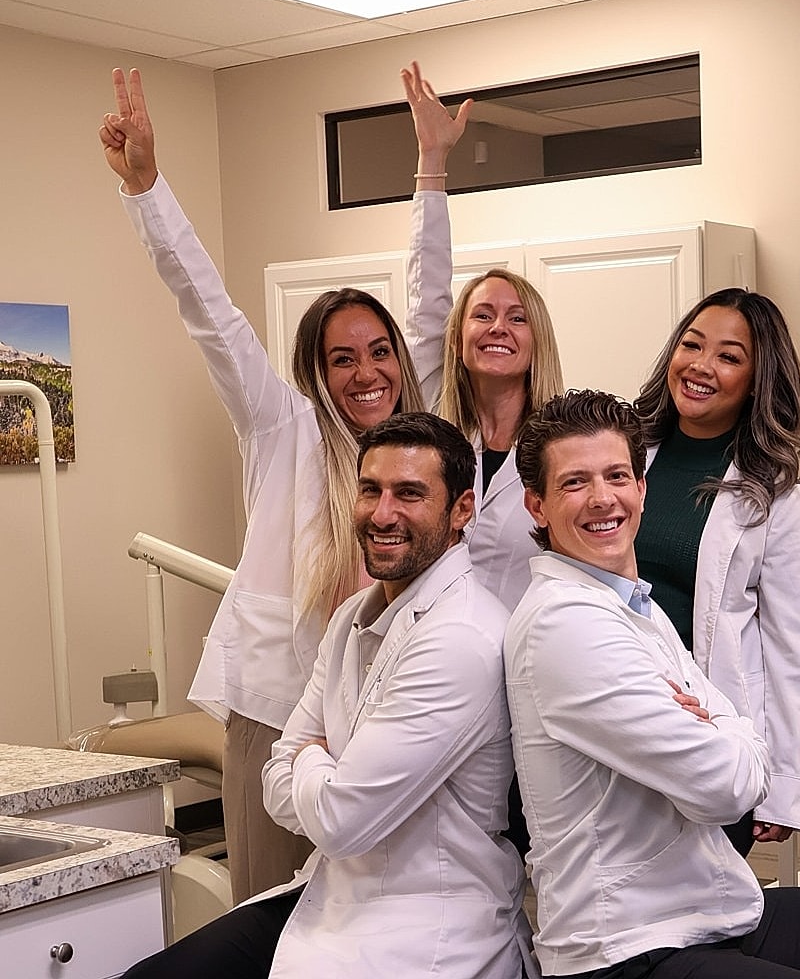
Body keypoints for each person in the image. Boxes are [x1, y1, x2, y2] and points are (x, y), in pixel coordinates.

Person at [100, 67, 426, 901]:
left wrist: (432, 172)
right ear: (315, 372)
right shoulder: (282, 428)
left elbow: (433, 304)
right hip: (279, 710)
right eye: (341, 358)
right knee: (268, 915)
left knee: (371, 912)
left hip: (387, 714)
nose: (366, 373)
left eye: (379, 351)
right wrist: (148, 190)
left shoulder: (417, 458)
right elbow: (211, 311)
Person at [506, 389, 800, 979]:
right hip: (627, 944)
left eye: (617, 475)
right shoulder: (564, 625)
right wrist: (727, 730)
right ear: (536, 505)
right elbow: (724, 789)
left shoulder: (634, 607)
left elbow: (727, 748)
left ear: (642, 489)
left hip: (709, 911)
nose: (602, 499)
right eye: (574, 483)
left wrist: (722, 728)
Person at [122, 412, 535, 979]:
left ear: (461, 510)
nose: (382, 513)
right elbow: (276, 782)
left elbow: (341, 820)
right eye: (371, 490)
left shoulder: (462, 638)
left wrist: (309, 757)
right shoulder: (349, 619)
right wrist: (318, 768)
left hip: (423, 921)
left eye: (409, 493)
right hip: (331, 895)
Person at [633, 288, 800, 856]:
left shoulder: (777, 496)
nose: (700, 366)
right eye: (691, 345)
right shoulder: (623, 455)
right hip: (618, 711)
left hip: (706, 732)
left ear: (757, 379)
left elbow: (793, 650)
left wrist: (784, 788)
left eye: (729, 356)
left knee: (705, 912)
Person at [401, 60, 564, 613]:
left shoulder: (561, 446)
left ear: (537, 340)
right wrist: (432, 162)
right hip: (435, 657)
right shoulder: (434, 422)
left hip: (526, 666)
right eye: (483, 315)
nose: (499, 327)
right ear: (459, 336)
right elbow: (427, 296)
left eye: (518, 318)